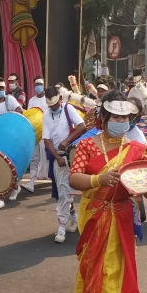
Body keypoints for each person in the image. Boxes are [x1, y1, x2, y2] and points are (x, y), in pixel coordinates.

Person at [67, 90, 147, 293]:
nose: (120, 121)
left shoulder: (139, 149)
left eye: (125, 117)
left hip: (121, 227)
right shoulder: (87, 144)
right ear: (103, 118)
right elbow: (73, 179)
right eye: (115, 116)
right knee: (95, 292)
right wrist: (97, 180)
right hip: (93, 223)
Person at [43, 87, 87, 243]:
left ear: (60, 99)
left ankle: (67, 223)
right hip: (58, 158)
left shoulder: (68, 109)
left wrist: (67, 141)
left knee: (70, 191)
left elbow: (82, 126)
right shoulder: (46, 115)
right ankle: (69, 221)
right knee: (63, 192)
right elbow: (46, 140)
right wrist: (57, 157)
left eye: (55, 104)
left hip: (72, 155)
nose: (53, 108)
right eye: (50, 106)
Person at [0, 77, 24, 208]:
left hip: (10, 138)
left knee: (9, 165)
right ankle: (0, 197)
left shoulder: (10, 100)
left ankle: (14, 187)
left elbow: (20, 112)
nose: (0, 90)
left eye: (2, 88)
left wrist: (9, 122)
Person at [22, 75, 48, 193]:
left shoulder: (48, 99)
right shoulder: (32, 100)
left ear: (44, 85)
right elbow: (29, 116)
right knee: (35, 157)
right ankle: (31, 183)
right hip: (36, 133)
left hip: (47, 133)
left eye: (40, 84)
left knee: (48, 157)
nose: (38, 86)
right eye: (36, 84)